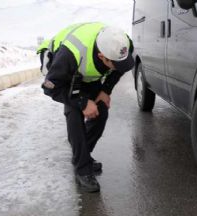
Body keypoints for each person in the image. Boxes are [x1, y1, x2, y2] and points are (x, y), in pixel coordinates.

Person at [37, 22, 134, 192]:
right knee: (74, 116)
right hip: (67, 77)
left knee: (100, 112)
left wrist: (105, 91)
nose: (120, 66)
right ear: (102, 56)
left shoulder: (122, 44)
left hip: (88, 75)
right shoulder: (69, 55)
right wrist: (82, 102)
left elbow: (120, 69)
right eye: (115, 63)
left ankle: (82, 157)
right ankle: (82, 169)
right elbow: (49, 87)